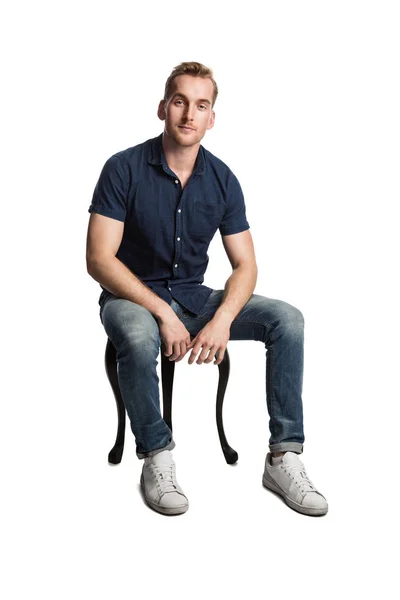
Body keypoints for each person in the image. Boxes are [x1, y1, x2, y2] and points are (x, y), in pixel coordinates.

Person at [86, 61, 328, 517]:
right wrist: (162, 311)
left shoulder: (223, 179)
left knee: (288, 320)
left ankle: (283, 457)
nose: (189, 115)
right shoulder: (123, 168)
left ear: (212, 117)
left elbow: (246, 264)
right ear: (163, 107)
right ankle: (156, 456)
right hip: (129, 299)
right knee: (138, 336)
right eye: (180, 102)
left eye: (201, 105)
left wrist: (221, 321)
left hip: (195, 299)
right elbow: (99, 260)